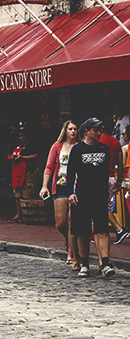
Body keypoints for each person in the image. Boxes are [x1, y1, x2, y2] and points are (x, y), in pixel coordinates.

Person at [66, 117, 116, 278]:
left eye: (100, 130)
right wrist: (70, 193)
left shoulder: (104, 148)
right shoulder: (78, 150)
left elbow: (106, 172)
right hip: (82, 194)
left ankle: (105, 263)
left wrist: (109, 191)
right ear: (87, 132)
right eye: (95, 130)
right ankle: (85, 264)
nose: (99, 133)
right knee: (82, 231)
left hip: (99, 194)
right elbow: (70, 173)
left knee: (102, 230)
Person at [40, 120, 80, 268]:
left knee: (72, 220)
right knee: (61, 223)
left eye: (75, 129)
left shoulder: (80, 147)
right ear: (65, 131)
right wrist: (45, 186)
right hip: (60, 186)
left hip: (76, 187)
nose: (73, 131)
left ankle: (71, 253)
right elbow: (49, 167)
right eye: (70, 129)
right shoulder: (57, 147)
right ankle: (68, 240)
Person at [7, 127, 38, 223]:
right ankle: (19, 215)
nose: (21, 138)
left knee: (26, 194)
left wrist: (22, 157)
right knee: (18, 195)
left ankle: (27, 215)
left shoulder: (30, 146)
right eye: (19, 136)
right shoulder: (17, 146)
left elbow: (36, 155)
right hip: (16, 174)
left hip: (26, 173)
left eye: (22, 136)